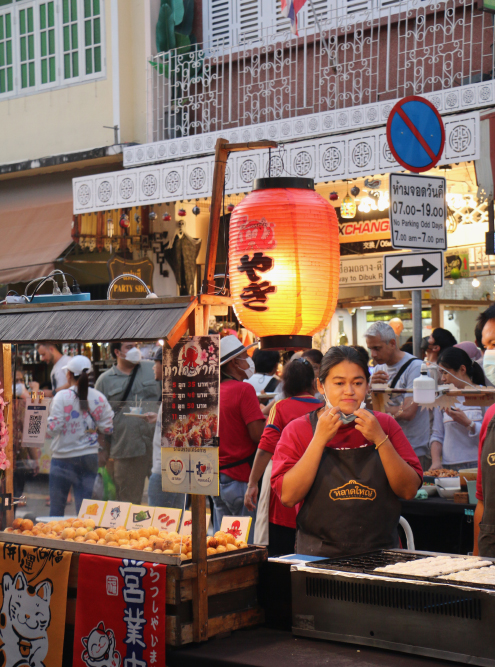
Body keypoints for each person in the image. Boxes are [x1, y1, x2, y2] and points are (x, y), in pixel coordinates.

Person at [271, 346, 422, 557]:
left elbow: (408, 490)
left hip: (382, 556)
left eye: (358, 383)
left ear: (368, 386)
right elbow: (288, 496)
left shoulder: (385, 425)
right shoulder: (299, 430)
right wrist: (319, 439)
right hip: (317, 558)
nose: (349, 391)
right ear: (320, 386)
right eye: (339, 383)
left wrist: (380, 439)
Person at [244, 357, 324, 556]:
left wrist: (252, 483)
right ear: (313, 383)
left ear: (286, 383)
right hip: (319, 488)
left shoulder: (280, 407)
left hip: (285, 489)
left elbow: (265, 449)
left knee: (282, 553)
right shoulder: (326, 409)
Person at [47, 356, 113, 516]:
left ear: (68, 374)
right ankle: (84, 538)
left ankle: (54, 540)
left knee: (56, 509)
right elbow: (108, 428)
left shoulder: (61, 397)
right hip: (89, 457)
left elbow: (53, 429)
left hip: (62, 458)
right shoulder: (99, 398)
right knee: (86, 512)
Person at [95, 341, 160, 504]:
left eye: (136, 346)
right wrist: (101, 449)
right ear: (117, 352)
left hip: (157, 447)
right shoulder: (105, 381)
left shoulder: (152, 368)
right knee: (127, 503)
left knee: (163, 500)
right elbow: (98, 419)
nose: (135, 351)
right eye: (129, 347)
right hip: (126, 450)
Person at [214, 335, 266, 537]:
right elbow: (257, 435)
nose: (249, 361)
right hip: (241, 479)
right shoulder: (244, 390)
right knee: (246, 542)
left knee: (223, 542)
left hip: (216, 478)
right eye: (245, 356)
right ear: (234, 362)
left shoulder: (213, 391)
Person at [365, 321, 431, 468]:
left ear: (393, 343)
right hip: (386, 445)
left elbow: (408, 412)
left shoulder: (416, 368)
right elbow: (368, 409)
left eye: (377, 348)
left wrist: (380, 409)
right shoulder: (377, 370)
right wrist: (369, 390)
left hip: (413, 447)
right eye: (370, 349)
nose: (373, 354)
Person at [430, 347, 485, 471]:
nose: (442, 379)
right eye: (441, 373)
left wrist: (468, 423)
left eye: (445, 373)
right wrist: (436, 461)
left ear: (462, 369)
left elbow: (490, 433)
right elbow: (437, 434)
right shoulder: (443, 397)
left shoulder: (483, 394)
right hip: (450, 466)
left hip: (478, 463)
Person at [147, 346, 183, 509]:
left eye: (157, 363)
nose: (154, 367)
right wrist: (159, 418)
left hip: (165, 469)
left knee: (159, 525)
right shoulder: (177, 391)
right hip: (175, 469)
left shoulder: (174, 394)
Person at [474, 304, 495, 555]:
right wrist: (476, 566)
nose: (490, 353)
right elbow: (482, 500)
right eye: (486, 346)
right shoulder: (491, 416)